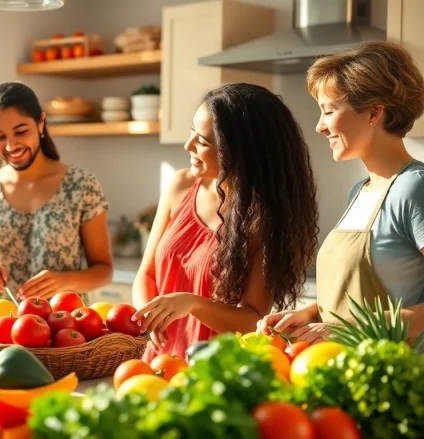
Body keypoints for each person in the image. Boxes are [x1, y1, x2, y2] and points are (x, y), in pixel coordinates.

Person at [132, 82, 320, 360]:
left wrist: (193, 304)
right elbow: (146, 275)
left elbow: (251, 319)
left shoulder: (264, 221)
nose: (188, 145)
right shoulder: (181, 185)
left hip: (213, 365)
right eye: (192, 132)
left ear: (241, 153)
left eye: (203, 142)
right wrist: (149, 318)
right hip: (156, 360)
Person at [257, 41, 424, 345]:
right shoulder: (360, 192)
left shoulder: (414, 188)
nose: (320, 126)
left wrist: (348, 327)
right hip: (341, 368)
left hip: (398, 372)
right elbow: (351, 302)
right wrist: (309, 314)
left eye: (329, 111)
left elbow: (355, 321)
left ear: (374, 112)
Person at [0, 82, 113, 310]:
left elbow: (103, 270)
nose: (11, 145)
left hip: (63, 324)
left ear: (41, 123)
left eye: (21, 132)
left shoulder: (82, 186)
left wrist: (63, 281)